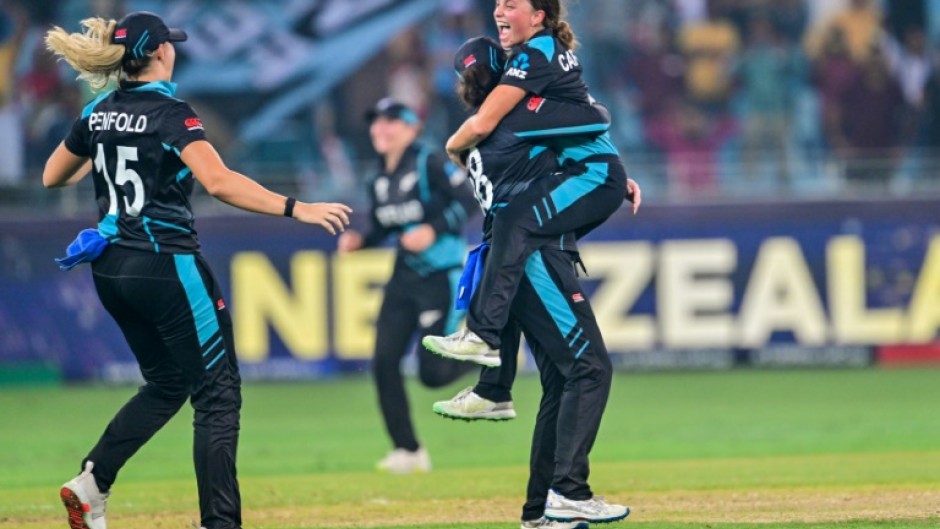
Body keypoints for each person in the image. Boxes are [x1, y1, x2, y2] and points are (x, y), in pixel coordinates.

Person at [43, 12, 351, 529]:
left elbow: (54, 175)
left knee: (166, 383)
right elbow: (220, 181)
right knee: (218, 393)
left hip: (112, 267)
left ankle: (94, 480)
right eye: (171, 45)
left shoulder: (98, 111)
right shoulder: (171, 111)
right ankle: (220, 523)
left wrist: (106, 148)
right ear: (159, 53)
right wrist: (299, 208)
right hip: (166, 263)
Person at [437, 36, 634, 529]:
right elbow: (595, 116)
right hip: (537, 258)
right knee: (591, 369)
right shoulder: (518, 117)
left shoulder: (484, 140)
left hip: (513, 257)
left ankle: (538, 514)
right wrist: (615, 173)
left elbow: (551, 161)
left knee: (561, 382)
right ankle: (569, 491)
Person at [423, 0, 633, 397]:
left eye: (510, 3)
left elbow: (581, 120)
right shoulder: (533, 79)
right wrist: (615, 171)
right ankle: (491, 388)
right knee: (512, 251)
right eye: (499, 3)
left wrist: (454, 147)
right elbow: (589, 119)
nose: (499, 9)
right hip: (583, 183)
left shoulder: (529, 65)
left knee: (511, 234)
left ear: (538, 16)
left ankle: (488, 368)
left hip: (573, 191)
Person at [336, 97, 478, 474]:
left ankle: (486, 357)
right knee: (384, 362)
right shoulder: (380, 177)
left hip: (440, 275)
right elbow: (386, 227)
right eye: (376, 122)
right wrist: (361, 242)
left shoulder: (429, 161)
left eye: (390, 122)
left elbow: (469, 202)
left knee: (431, 375)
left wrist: (432, 229)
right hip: (403, 277)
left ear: (413, 127)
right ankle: (408, 450)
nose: (380, 129)